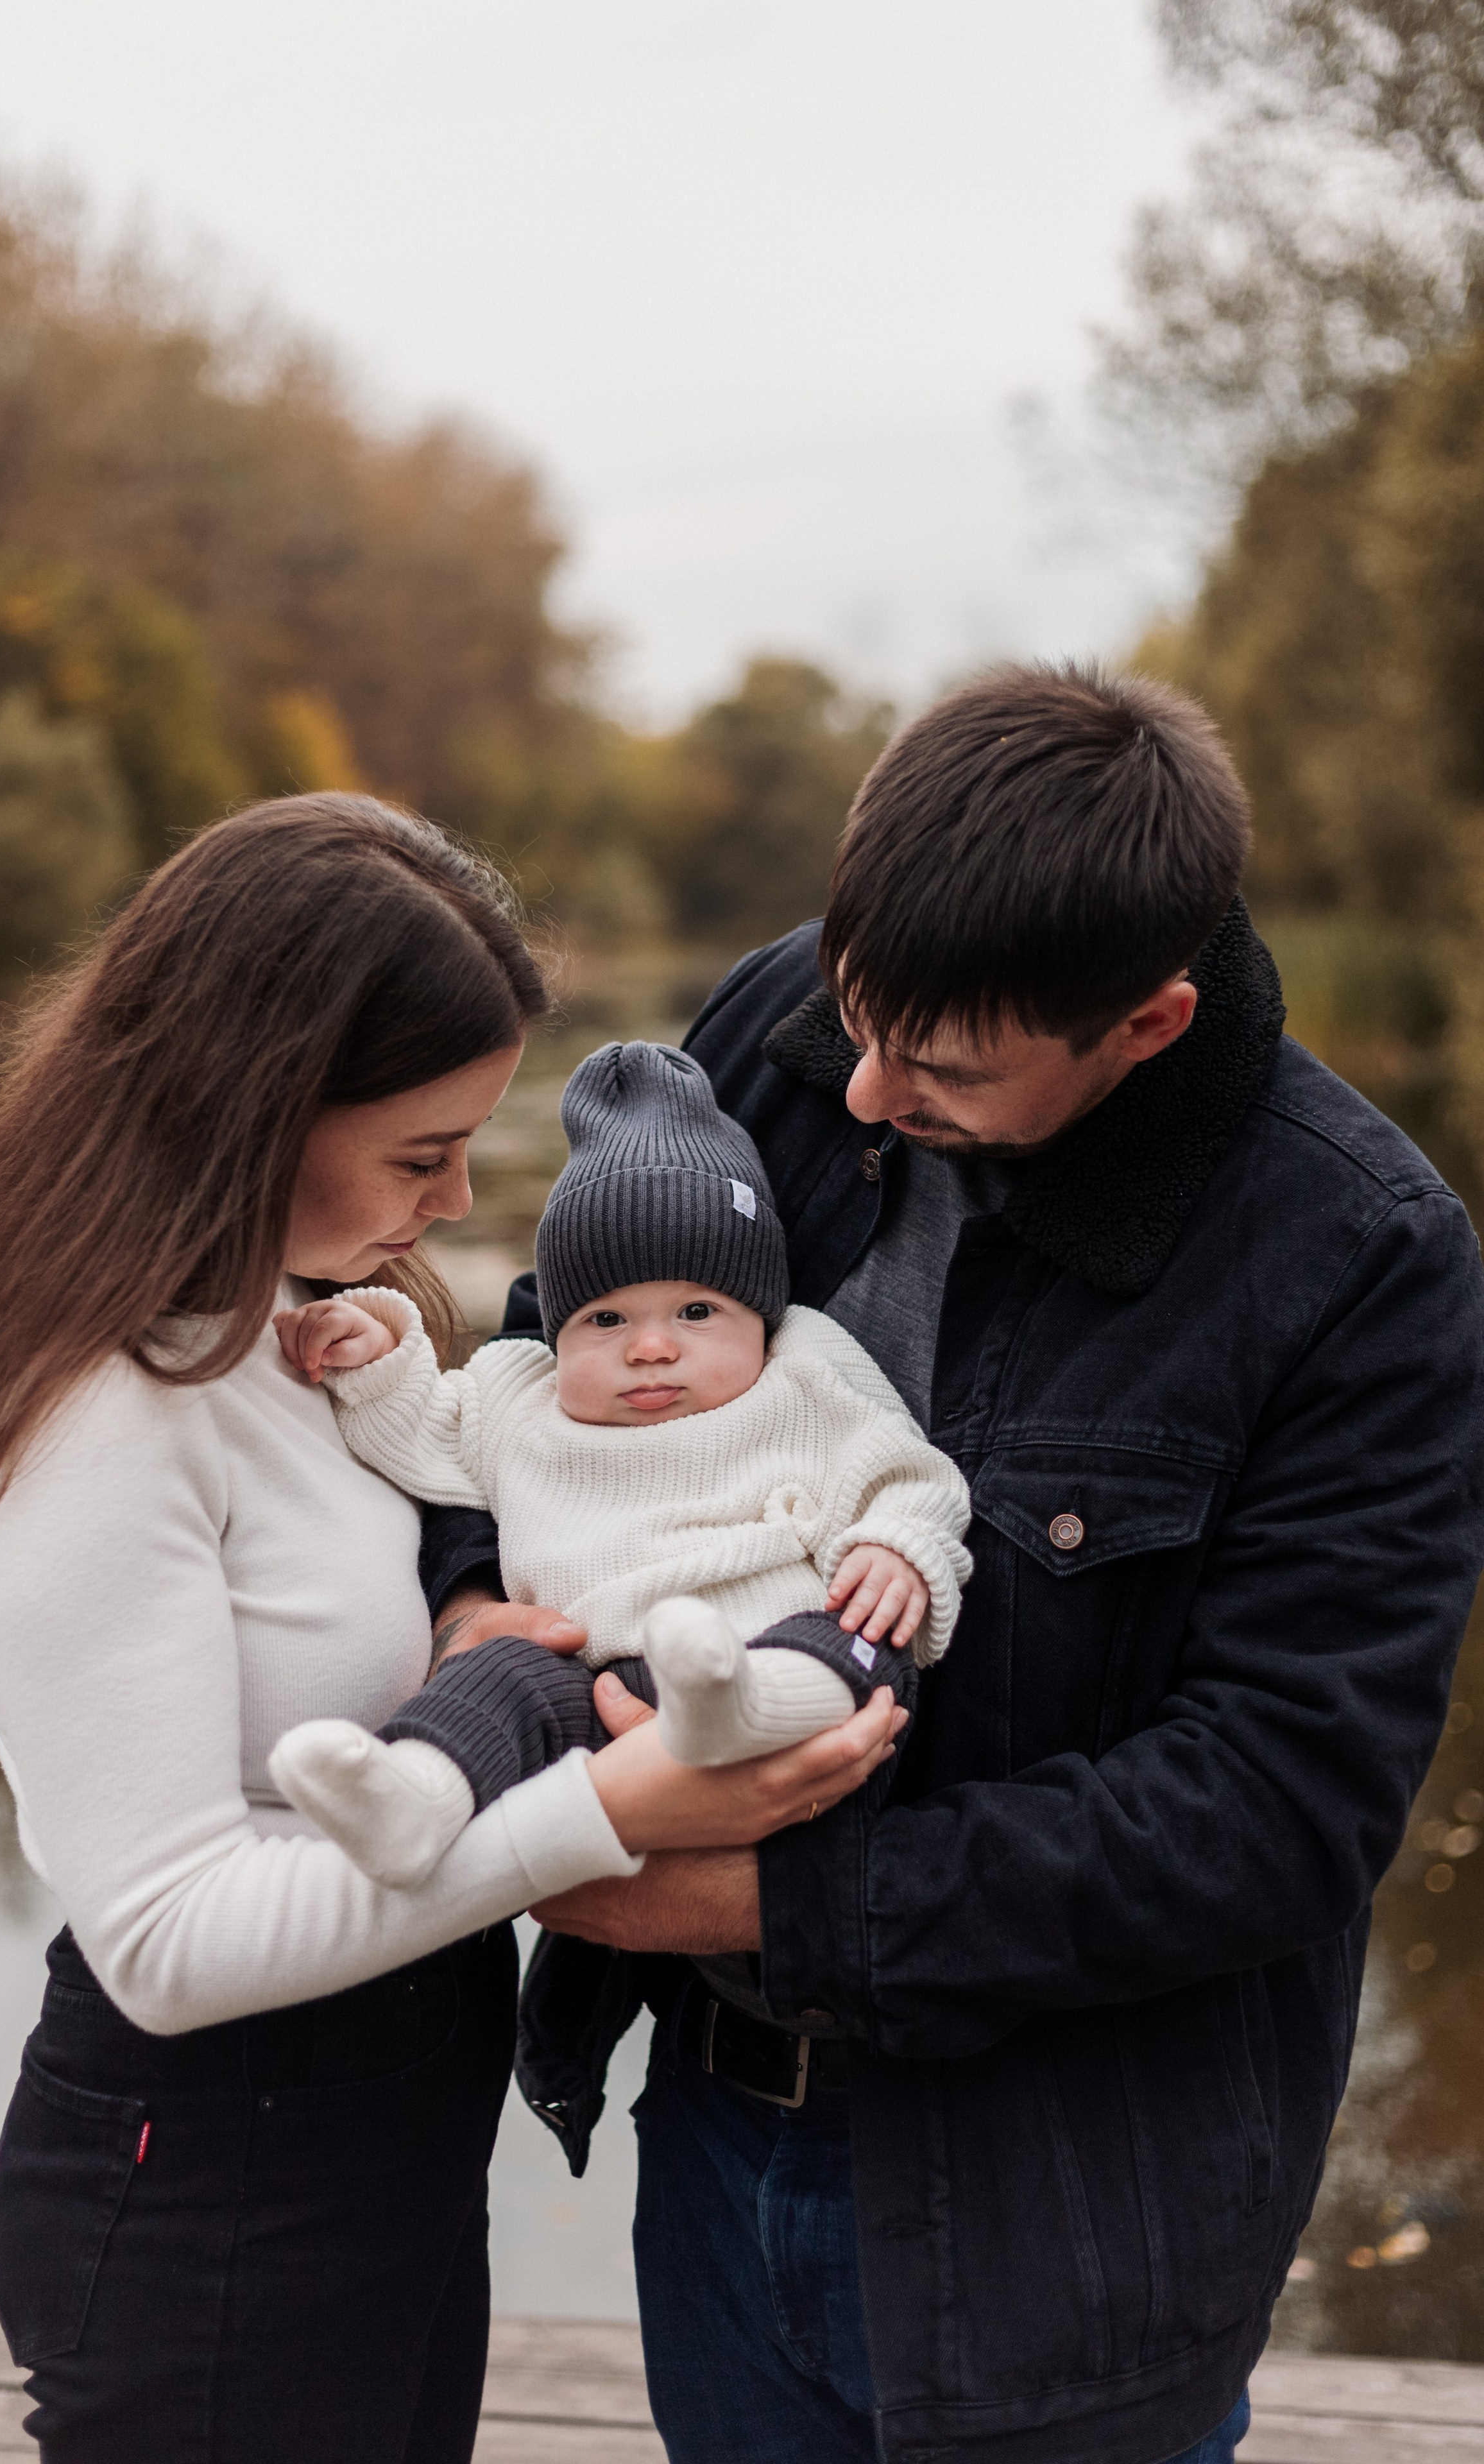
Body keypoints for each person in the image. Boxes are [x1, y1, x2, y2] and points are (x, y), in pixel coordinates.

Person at [423, 667, 1484, 2464]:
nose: (858, 1081)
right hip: (722, 2138)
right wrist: (475, 1602)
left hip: (1080, 2216)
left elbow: (1279, 1807)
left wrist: (750, 1901)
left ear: (1145, 1025)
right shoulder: (791, 1016)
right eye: (856, 1007)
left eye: (944, 1066)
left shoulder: (1364, 1259)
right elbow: (546, 1346)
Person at [0, 795, 900, 2464]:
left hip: (389, 2122)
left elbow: (410, 1540)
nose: (461, 1195)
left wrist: (485, 1597)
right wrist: (611, 1815)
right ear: (252, 1108)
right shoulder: (90, 1416)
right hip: (215, 2179)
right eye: (424, 1153)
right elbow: (170, 1943)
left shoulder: (283, 1329)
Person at [266, 1039, 972, 1888]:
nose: (649, 1347)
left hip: (780, 1648)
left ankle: (737, 1706)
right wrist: (375, 1354)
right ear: (557, 1332)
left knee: (861, 1647)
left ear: (762, 1315)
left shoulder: (802, 1373)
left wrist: (897, 1547)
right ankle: (415, 1796)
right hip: (594, 1686)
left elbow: (907, 1471)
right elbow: (418, 1432)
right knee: (500, 1682)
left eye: (697, 1310)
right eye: (604, 1321)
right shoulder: (518, 1395)